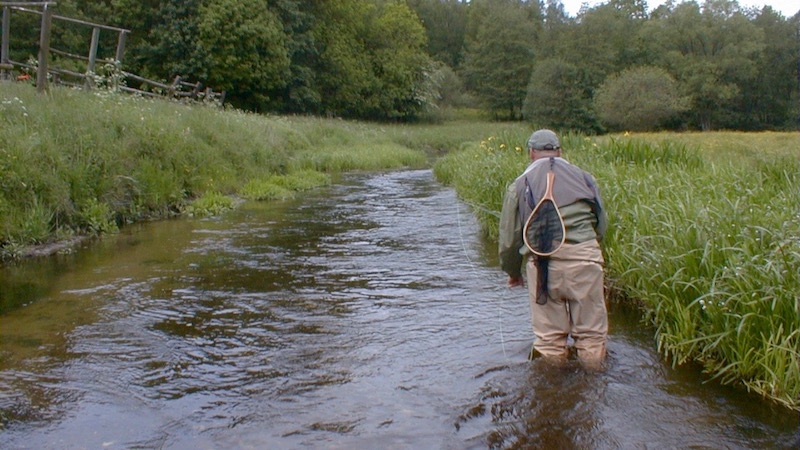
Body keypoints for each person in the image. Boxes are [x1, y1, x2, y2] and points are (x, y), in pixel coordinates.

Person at [498, 129, 608, 367]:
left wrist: (513, 274)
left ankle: (551, 394)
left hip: (543, 266)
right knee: (591, 337)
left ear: (531, 153)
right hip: (586, 260)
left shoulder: (519, 185)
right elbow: (601, 225)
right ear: (559, 151)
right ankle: (595, 391)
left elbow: (509, 241)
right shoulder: (585, 178)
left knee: (549, 342)